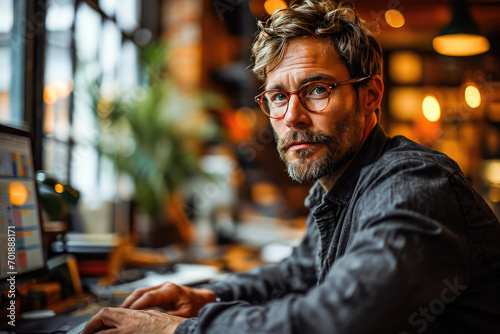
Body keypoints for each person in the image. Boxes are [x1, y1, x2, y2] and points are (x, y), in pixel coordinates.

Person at [83, 1, 500, 333]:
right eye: (278, 97)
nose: (293, 116)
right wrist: (205, 296)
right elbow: (296, 274)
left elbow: (342, 319)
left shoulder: (414, 182)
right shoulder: (333, 187)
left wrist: (179, 331)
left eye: (317, 89)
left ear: (370, 96)